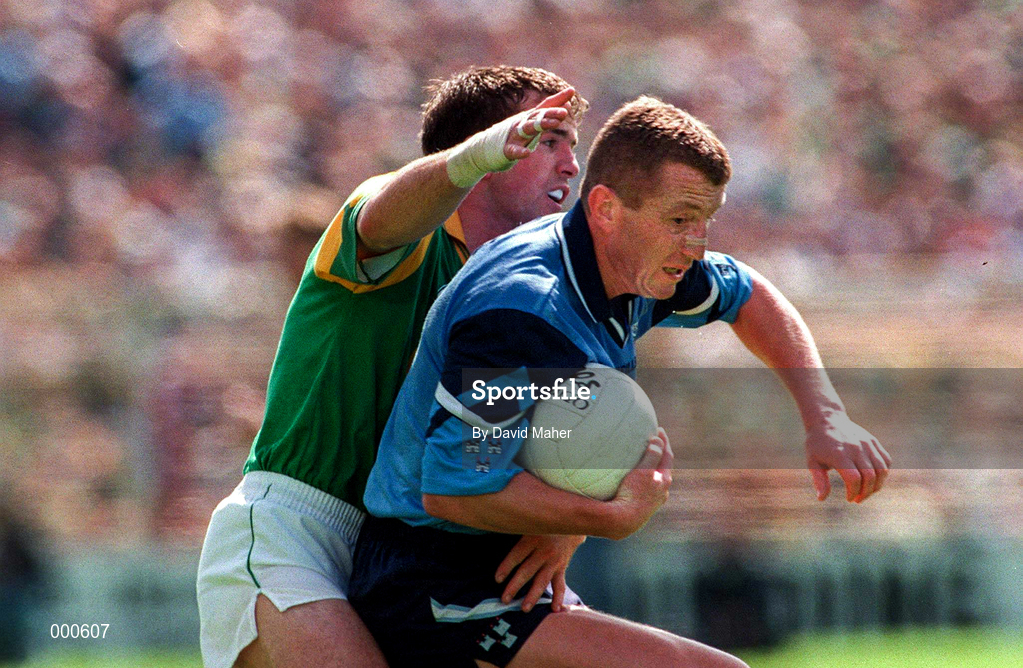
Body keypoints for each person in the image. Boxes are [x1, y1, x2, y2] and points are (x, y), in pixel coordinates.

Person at [349, 96, 892, 668]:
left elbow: (749, 294)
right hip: (431, 583)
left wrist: (825, 415)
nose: (696, 245)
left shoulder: (632, 269)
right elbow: (452, 487)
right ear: (606, 208)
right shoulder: (524, 312)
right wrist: (610, 517)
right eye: (680, 219)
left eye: (705, 221)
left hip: (500, 570)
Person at [195, 66, 589, 668]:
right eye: (547, 139)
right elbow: (384, 218)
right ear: (489, 145)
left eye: (572, 147)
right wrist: (474, 157)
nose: (570, 166)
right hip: (295, 531)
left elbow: (510, 443)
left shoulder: (524, 295)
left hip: (413, 555)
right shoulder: (403, 222)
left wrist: (567, 522)